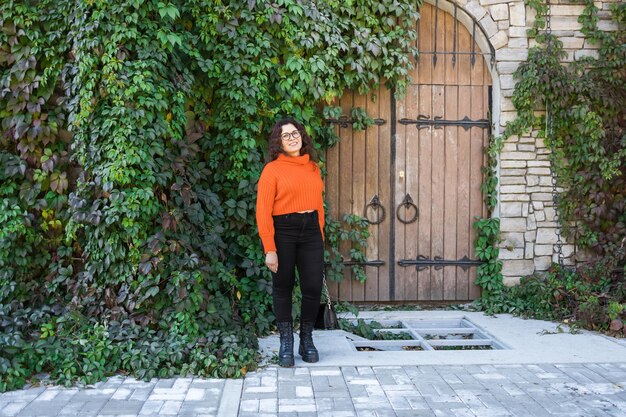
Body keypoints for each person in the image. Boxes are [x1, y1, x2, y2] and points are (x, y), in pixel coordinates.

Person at [255, 117, 325, 367]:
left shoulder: (313, 168)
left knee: (313, 287)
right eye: (286, 135)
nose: (292, 138)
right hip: (283, 230)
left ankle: (306, 338)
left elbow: (318, 205)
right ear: (278, 142)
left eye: (295, 133)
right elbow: (262, 211)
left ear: (302, 136)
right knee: (283, 285)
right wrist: (269, 248)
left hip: (311, 232)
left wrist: (321, 235)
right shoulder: (272, 170)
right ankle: (286, 341)